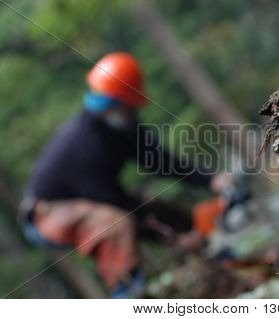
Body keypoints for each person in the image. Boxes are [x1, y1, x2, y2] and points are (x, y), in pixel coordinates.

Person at [18, 52, 229, 298]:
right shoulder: (84, 145)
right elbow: (114, 204)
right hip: (47, 215)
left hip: (98, 200)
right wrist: (170, 238)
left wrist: (212, 178)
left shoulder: (124, 127)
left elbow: (162, 161)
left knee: (155, 208)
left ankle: (217, 256)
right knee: (116, 225)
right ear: (118, 103)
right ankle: (127, 293)